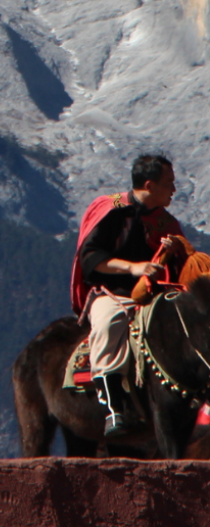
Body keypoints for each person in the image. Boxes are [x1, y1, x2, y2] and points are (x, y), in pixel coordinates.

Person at [71, 154, 186, 438]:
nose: (174, 189)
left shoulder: (166, 222)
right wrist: (134, 268)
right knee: (109, 323)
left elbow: (179, 268)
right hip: (114, 292)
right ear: (149, 184)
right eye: (169, 183)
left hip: (156, 294)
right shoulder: (111, 210)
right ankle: (113, 407)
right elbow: (91, 258)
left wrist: (175, 252)